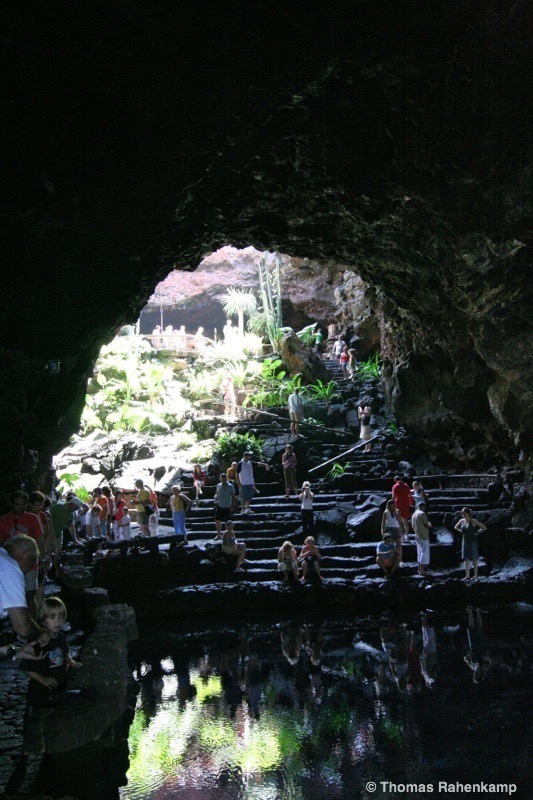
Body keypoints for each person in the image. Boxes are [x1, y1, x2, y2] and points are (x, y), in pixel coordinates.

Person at [20, 597, 81, 711]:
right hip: (40, 691)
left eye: (61, 617)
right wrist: (42, 679)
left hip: (57, 686)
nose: (57, 621)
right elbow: (25, 667)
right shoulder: (39, 641)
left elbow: (65, 652)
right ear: (43, 620)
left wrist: (70, 661)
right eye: (52, 617)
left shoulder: (61, 637)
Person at [0, 491, 46, 617]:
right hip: (9, 566)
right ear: (11, 504)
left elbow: (39, 540)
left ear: (26, 504)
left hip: (30, 564)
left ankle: (32, 622)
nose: (19, 507)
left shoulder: (32, 519)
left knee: (29, 595)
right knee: (13, 596)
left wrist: (43, 559)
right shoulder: (3, 521)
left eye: (22, 505)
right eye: (16, 504)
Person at [0, 535, 49, 642]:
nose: (30, 569)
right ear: (26, 555)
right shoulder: (11, 569)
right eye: (33, 562)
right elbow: (23, 629)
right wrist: (42, 633)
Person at [454, 507, 487, 584]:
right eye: (462, 513)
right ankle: (467, 576)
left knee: (475, 559)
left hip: (473, 541)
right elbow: (455, 527)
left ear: (467, 513)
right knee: (466, 559)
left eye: (463, 513)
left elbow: (484, 527)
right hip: (465, 541)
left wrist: (477, 532)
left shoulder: (473, 521)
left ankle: (475, 576)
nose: (462, 514)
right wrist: (461, 532)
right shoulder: (461, 521)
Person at [411, 502, 432, 577]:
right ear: (422, 507)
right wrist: (429, 524)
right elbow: (426, 525)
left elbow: (412, 526)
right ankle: (422, 570)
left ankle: (419, 569)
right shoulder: (422, 514)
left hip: (417, 535)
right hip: (424, 535)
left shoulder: (414, 514)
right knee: (424, 552)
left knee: (419, 552)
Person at [381, 499, 404, 563]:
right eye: (390, 505)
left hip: (396, 528)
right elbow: (383, 522)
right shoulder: (386, 512)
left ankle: (399, 559)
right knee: (391, 545)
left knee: (398, 545)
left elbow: (399, 520)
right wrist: (383, 531)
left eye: (393, 505)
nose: (392, 507)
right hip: (389, 529)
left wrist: (401, 531)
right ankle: (391, 559)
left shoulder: (397, 511)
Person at [213, 473, 235, 540]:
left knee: (228, 522)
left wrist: (232, 505)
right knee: (217, 520)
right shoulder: (218, 485)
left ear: (226, 478)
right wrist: (216, 496)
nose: (223, 480)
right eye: (222, 479)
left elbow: (233, 496)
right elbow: (217, 493)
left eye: (224, 479)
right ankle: (219, 534)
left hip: (227, 506)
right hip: (220, 505)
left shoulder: (230, 486)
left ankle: (229, 535)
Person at [392, 475, 412, 541]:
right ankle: (407, 536)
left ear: (395, 480)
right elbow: (410, 495)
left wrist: (392, 505)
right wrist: (410, 502)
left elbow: (393, 496)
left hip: (398, 505)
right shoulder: (406, 486)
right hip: (406, 504)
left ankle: (402, 536)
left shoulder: (395, 486)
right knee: (405, 522)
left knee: (399, 522)